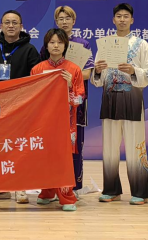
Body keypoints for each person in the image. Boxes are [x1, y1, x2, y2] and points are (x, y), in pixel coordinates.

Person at [91, 3, 148, 205]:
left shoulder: (141, 45)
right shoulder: (105, 44)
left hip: (132, 100)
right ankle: (111, 189)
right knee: (109, 148)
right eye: (119, 16)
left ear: (132, 20)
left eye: (126, 16)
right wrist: (97, 71)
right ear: (113, 20)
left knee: (136, 146)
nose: (122, 19)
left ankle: (141, 191)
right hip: (110, 100)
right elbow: (97, 79)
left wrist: (134, 71)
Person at [0, 9, 40, 204]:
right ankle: (1, 187)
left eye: (14, 22)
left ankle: (21, 187)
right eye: (7, 22)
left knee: (19, 148)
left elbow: (36, 79)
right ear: (0, 26)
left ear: (21, 26)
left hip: (21, 107)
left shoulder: (30, 50)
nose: (10, 25)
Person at [41, 5, 94, 194]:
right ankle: (50, 187)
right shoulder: (49, 43)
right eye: (60, 19)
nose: (64, 22)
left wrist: (73, 74)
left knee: (76, 146)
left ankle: (75, 187)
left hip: (75, 102)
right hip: (52, 105)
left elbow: (88, 73)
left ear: (74, 21)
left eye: (67, 18)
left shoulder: (83, 44)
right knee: (51, 146)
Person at [31, 28, 85, 211]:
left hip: (65, 124)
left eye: (60, 42)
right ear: (46, 45)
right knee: (44, 157)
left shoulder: (74, 69)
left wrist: (69, 86)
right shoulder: (37, 69)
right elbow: (32, 98)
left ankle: (67, 197)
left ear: (65, 45)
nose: (56, 46)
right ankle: (46, 192)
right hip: (44, 123)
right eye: (52, 42)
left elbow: (79, 100)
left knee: (64, 160)